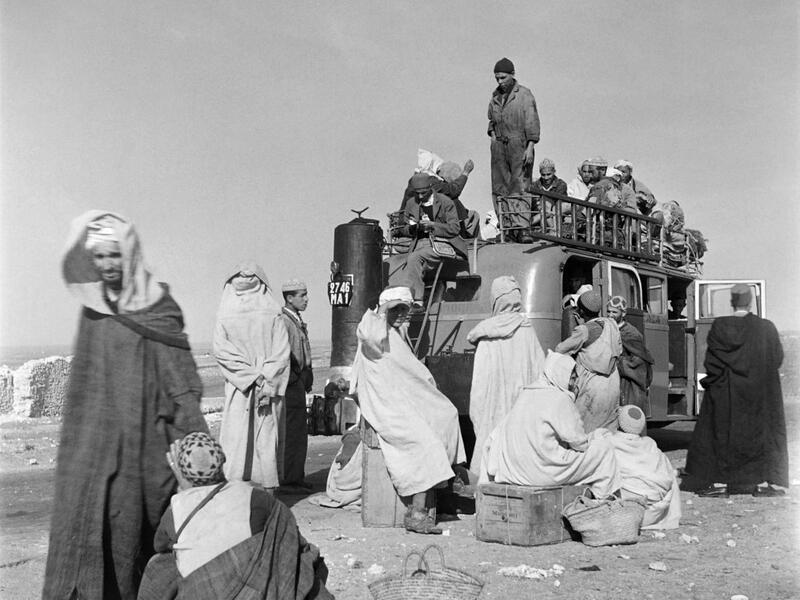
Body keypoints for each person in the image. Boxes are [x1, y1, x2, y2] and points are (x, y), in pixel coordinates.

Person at [45, 211, 209, 600]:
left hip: (147, 448)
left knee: (136, 537)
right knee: (91, 531)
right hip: (97, 450)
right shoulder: (94, 311)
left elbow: (181, 384)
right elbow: (86, 387)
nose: (107, 265)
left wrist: (198, 445)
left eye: (114, 255)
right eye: (99, 257)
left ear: (130, 254)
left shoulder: (158, 309)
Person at [137, 432, 333, 600]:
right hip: (261, 592)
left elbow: (160, 545)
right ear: (222, 461)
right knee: (299, 558)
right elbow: (289, 536)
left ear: (180, 471)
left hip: (205, 590)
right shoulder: (253, 496)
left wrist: (184, 492)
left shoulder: (177, 508)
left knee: (158, 566)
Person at [350, 286, 465, 534]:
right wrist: (384, 309)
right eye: (398, 309)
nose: (403, 314)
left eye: (406, 309)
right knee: (426, 444)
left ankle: (451, 475)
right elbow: (370, 333)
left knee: (447, 414)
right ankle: (417, 513)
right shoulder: (373, 330)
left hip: (404, 401)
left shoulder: (396, 333)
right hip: (386, 407)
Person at [682, 284, 789, 497]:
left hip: (726, 393)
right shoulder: (766, 328)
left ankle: (720, 483)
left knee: (718, 433)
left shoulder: (720, 326)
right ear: (750, 302)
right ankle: (759, 483)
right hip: (759, 395)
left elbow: (712, 363)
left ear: (732, 302)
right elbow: (776, 359)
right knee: (762, 434)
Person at [480, 351, 621, 500]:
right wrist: (596, 438)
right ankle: (602, 499)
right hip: (540, 472)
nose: (574, 383)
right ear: (560, 374)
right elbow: (580, 443)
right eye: (572, 378)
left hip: (513, 472)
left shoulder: (525, 393)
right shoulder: (560, 398)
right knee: (604, 450)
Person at [213, 263, 290, 489]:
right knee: (266, 438)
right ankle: (268, 492)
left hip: (240, 386)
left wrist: (250, 376)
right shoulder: (273, 311)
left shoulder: (225, 313)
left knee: (236, 442)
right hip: (268, 385)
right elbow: (281, 354)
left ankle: (235, 491)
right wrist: (265, 378)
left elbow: (222, 352)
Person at [467, 276, 546, 473]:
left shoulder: (485, 334)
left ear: (495, 299)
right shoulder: (527, 330)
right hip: (522, 408)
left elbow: (480, 385)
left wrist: (478, 414)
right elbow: (540, 372)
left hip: (494, 409)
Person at [488, 57, 541, 243]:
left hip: (519, 144)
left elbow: (532, 121)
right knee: (500, 187)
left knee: (520, 186)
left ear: (512, 75)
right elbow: (491, 120)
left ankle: (522, 229)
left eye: (503, 77)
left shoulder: (524, 95)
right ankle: (507, 228)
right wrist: (493, 138)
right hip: (499, 145)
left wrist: (530, 147)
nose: (499, 81)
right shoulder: (495, 96)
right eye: (497, 78)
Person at [602, 405, 681, 529]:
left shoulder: (609, 442)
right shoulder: (651, 445)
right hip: (654, 514)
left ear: (618, 422)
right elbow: (669, 477)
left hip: (626, 513)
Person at [555, 289, 622, 432]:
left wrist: (579, 327)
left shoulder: (583, 331)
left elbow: (560, 349)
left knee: (585, 429)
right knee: (607, 429)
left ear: (580, 311)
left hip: (591, 385)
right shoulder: (612, 324)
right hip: (612, 382)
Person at [398, 173, 467, 303]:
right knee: (408, 265)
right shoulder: (411, 203)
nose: (420, 196)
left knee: (414, 259)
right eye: (417, 193)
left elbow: (454, 228)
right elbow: (403, 228)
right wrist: (412, 229)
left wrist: (433, 226)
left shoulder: (445, 202)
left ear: (430, 187)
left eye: (423, 193)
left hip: (443, 244)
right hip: (418, 244)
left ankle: (417, 301)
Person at [279, 279, 313, 489]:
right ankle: (289, 480)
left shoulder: (295, 321)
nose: (306, 299)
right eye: (302, 295)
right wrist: (295, 380)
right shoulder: (285, 322)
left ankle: (295, 477)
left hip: (297, 384)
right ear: (289, 298)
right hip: (291, 386)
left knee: (299, 433)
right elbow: (283, 356)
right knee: (292, 433)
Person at [608, 295, 654, 411]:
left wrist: (617, 363)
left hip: (627, 383)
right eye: (608, 312)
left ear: (623, 313)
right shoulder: (607, 328)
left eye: (614, 312)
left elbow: (639, 361)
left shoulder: (631, 333)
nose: (610, 315)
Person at [398, 148, 475, 217]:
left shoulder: (416, 179)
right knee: (469, 213)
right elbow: (453, 190)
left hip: (413, 218)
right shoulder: (428, 181)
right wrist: (466, 172)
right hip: (419, 220)